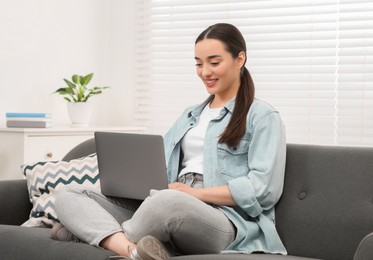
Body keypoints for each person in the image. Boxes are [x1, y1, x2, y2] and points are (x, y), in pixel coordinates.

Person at [52, 23, 287, 259]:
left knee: (167, 201)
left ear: (240, 59)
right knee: (70, 193)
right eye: (198, 63)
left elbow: (263, 189)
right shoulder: (189, 115)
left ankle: (94, 234)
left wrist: (194, 194)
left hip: (224, 220)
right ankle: (133, 250)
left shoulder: (263, 117)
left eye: (214, 62)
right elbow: (160, 165)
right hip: (166, 203)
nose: (205, 72)